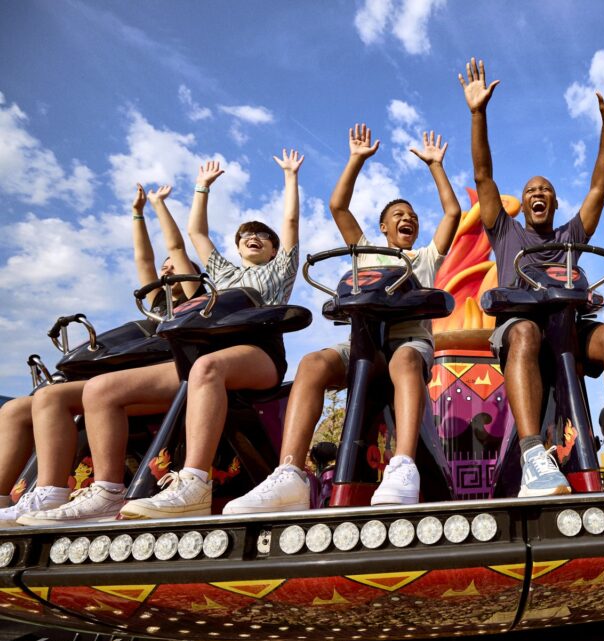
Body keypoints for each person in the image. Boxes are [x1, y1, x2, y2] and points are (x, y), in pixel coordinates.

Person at [19, 151, 304, 525]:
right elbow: (194, 235)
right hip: (199, 355)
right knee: (98, 390)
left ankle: (194, 482)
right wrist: (200, 188)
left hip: (256, 351)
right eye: (246, 235)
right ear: (234, 249)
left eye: (264, 237)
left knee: (207, 366)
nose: (255, 238)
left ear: (273, 248)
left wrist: (289, 176)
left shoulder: (278, 271)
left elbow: (291, 220)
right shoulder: (219, 275)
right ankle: (100, 491)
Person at [460, 57, 604, 496]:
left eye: (545, 190)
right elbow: (483, 174)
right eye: (530, 191)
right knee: (523, 332)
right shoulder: (506, 232)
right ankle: (532, 458)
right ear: (522, 205)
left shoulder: (570, 235)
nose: (537, 193)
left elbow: (599, 188)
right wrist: (478, 113)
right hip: (523, 328)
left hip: (569, 328)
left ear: (555, 204)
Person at [224, 126, 460, 513]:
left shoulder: (424, 258)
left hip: (405, 344)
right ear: (383, 227)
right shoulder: (365, 251)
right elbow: (338, 206)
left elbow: (452, 212)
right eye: (399, 215)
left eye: (413, 216)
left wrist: (436, 166)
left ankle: (403, 464)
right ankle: (290, 474)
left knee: (404, 360)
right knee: (313, 362)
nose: (408, 219)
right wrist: (356, 160)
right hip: (364, 343)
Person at [0, 184, 201, 525]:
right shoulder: (155, 306)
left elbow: (176, 247)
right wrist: (137, 214)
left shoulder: (197, 302)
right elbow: (144, 259)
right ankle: (16, 495)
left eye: (174, 268)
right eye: (164, 269)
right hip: (129, 378)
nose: (166, 271)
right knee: (23, 406)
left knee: (66, 396)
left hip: (167, 376)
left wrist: (157, 206)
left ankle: (66, 492)